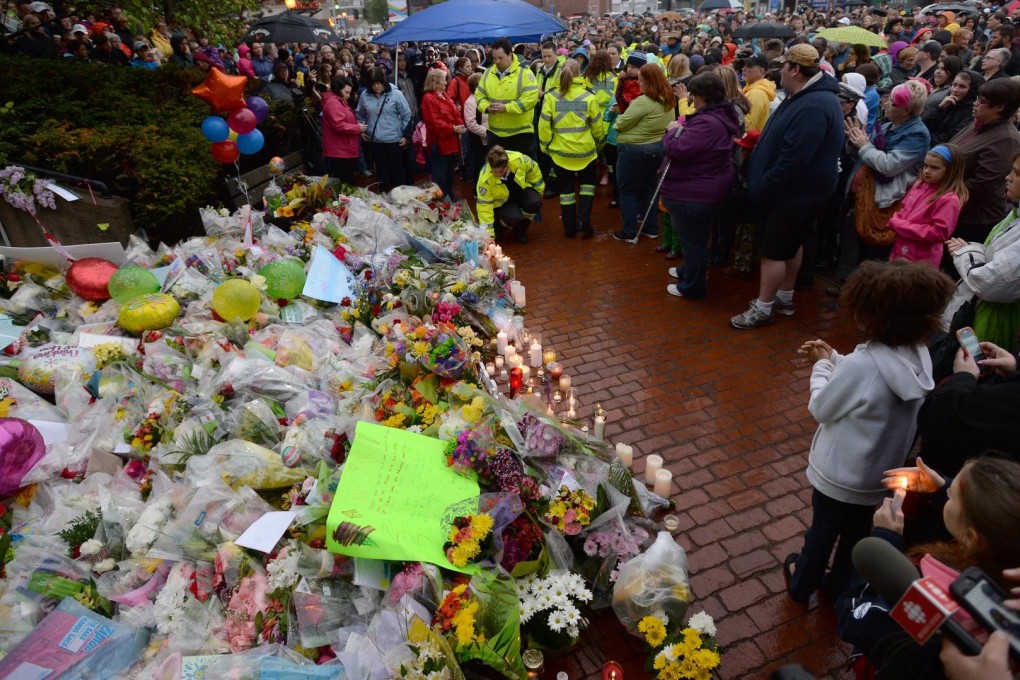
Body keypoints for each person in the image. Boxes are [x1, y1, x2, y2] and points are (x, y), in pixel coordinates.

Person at [786, 260, 954, 604]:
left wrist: (820, 367)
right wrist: (834, 357)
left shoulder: (864, 365)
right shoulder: (919, 354)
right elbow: (872, 377)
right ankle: (837, 590)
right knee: (855, 538)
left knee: (821, 534)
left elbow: (822, 408)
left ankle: (802, 584)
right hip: (877, 476)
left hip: (839, 476)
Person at [835, 456, 1020, 678]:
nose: (947, 490)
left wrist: (885, 539)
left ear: (971, 538)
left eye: (952, 494)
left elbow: (854, 620)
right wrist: (941, 488)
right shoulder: (1008, 583)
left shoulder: (931, 598)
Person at [730, 44, 844, 330]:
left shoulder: (814, 104)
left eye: (783, 66)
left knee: (774, 250)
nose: (778, 71)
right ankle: (784, 297)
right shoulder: (807, 96)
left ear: (794, 69)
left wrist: (763, 186)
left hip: (792, 194)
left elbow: (793, 160)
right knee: (792, 245)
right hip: (798, 192)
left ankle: (764, 307)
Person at [660, 72, 740, 300]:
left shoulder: (708, 122)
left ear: (703, 96)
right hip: (702, 187)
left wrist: (672, 131)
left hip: (694, 192)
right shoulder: (718, 116)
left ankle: (693, 286)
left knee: (693, 241)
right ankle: (688, 271)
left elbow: (677, 149)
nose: (692, 100)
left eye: (694, 96)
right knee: (693, 239)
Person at [843, 81, 931, 263]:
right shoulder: (888, 125)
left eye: (892, 103)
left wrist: (864, 145)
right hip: (863, 196)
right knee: (855, 246)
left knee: (874, 251)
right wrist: (854, 141)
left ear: (907, 110)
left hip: (883, 203)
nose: (885, 104)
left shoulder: (917, 134)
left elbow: (888, 166)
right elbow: (862, 155)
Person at [940, 150, 1020, 351]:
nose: (1007, 177)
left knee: (972, 366)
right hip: (974, 313)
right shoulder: (1014, 214)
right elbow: (989, 251)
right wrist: (973, 251)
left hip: (991, 323)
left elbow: (988, 282)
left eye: (1017, 174)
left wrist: (964, 253)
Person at [948, 78, 1020, 247]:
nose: (975, 103)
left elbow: (983, 183)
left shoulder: (1007, 139)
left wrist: (945, 192)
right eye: (977, 98)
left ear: (1000, 107)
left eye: (982, 101)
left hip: (974, 219)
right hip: (953, 206)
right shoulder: (978, 123)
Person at [538, 59, 605, 239]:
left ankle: (569, 228)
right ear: (579, 73)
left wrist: (545, 147)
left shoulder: (551, 96)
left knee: (566, 192)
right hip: (586, 153)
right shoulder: (588, 96)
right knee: (587, 187)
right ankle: (584, 221)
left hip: (560, 154)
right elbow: (598, 126)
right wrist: (598, 144)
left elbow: (543, 126)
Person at [611, 62, 676, 242]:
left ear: (649, 81)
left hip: (634, 150)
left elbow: (621, 123)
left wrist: (619, 120)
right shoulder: (668, 98)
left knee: (627, 191)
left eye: (641, 80)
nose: (638, 84)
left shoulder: (643, 101)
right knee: (649, 189)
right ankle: (651, 228)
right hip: (657, 148)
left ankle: (630, 231)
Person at [887, 144, 967, 266]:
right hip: (901, 248)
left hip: (921, 259)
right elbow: (905, 208)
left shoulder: (948, 199)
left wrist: (900, 225)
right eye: (925, 165)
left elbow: (939, 233)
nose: (926, 171)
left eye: (934, 168)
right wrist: (897, 217)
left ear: (951, 170)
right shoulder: (919, 185)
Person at [475, 37, 540, 157]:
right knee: (497, 172)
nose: (497, 62)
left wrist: (506, 108)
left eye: (500, 58)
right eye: (494, 58)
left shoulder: (525, 73)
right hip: (495, 134)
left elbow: (530, 100)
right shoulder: (488, 73)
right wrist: (486, 107)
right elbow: (479, 95)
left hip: (520, 134)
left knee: (520, 172)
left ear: (510, 54)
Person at [356, 67, 413, 192]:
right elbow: (359, 114)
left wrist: (406, 136)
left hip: (395, 140)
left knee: (398, 173)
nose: (376, 87)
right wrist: (362, 130)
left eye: (379, 83)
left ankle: (401, 198)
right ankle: (384, 199)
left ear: (383, 81)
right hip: (376, 141)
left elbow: (407, 115)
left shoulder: (396, 94)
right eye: (373, 84)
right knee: (382, 174)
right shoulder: (364, 96)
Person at [475, 145, 545, 243]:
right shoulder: (484, 179)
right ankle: (498, 225)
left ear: (507, 163)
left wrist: (537, 191)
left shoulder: (519, 159)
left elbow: (533, 169)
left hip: (520, 190)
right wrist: (489, 236)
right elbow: (484, 209)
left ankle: (521, 229)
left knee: (534, 202)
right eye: (495, 171)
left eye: (501, 171)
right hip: (502, 202)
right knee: (514, 218)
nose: (499, 174)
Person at [421, 68, 467, 201]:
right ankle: (441, 201)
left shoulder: (445, 95)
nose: (446, 82)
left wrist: (459, 125)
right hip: (440, 144)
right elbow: (434, 122)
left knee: (449, 175)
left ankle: (447, 196)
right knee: (440, 176)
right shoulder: (428, 98)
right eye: (444, 80)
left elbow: (454, 113)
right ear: (435, 82)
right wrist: (453, 128)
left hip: (451, 143)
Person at [321, 75, 363, 185]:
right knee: (345, 183)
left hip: (343, 149)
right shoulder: (333, 103)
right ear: (338, 90)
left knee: (347, 182)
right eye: (346, 92)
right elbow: (338, 125)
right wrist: (357, 128)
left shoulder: (338, 101)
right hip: (340, 151)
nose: (348, 95)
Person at [923, 68, 982, 146]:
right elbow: (924, 124)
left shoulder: (973, 112)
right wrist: (939, 108)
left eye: (962, 87)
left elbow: (951, 138)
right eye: (954, 85)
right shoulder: (947, 102)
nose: (955, 90)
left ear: (972, 91)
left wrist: (924, 138)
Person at [462, 73, 488, 184]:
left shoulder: (486, 99)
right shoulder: (470, 102)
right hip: (479, 141)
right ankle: (477, 191)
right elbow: (471, 124)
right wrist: (487, 133)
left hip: (490, 139)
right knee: (480, 165)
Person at [741, 54, 776, 132]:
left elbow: (746, 126)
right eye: (744, 66)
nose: (743, 69)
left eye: (749, 66)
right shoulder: (753, 89)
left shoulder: (756, 93)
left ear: (761, 71)